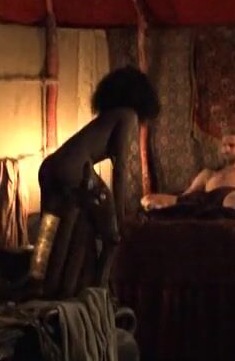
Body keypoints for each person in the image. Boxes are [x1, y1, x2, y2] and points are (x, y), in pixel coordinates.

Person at [27, 66, 161, 295]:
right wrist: (120, 215)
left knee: (49, 231)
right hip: (74, 169)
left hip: (50, 167)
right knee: (108, 230)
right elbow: (120, 168)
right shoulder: (128, 116)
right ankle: (90, 290)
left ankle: (40, 285)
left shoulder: (108, 116)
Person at [140, 128, 235, 217]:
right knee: (148, 199)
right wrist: (171, 202)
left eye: (231, 145)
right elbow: (187, 195)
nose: (226, 149)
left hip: (230, 197)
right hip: (202, 200)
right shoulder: (209, 173)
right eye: (224, 145)